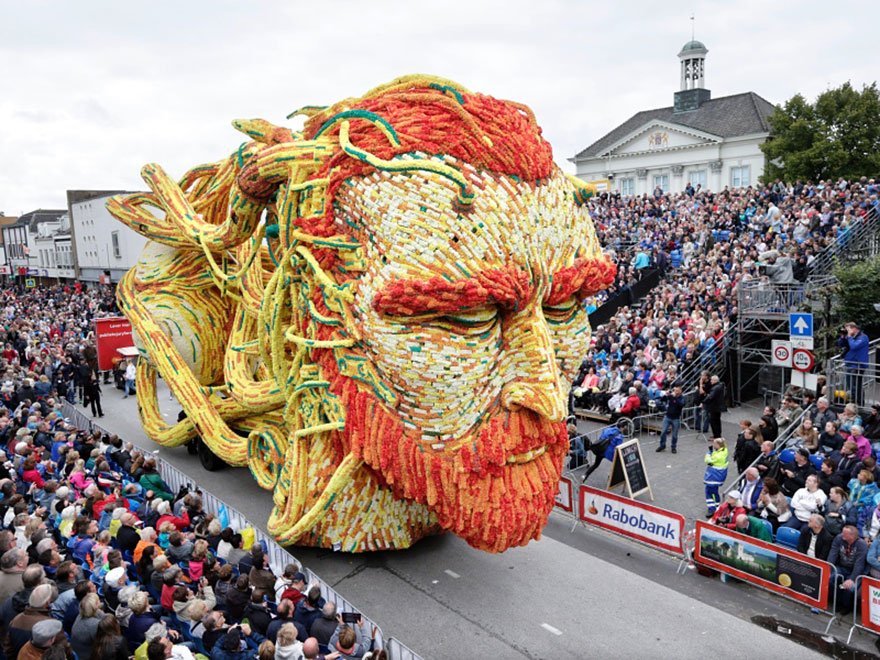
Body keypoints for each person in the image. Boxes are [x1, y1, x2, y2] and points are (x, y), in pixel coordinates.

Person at [828, 525, 868, 615]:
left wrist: (852, 579)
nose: (842, 535)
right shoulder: (839, 538)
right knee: (830, 579)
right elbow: (832, 554)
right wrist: (828, 568)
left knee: (851, 588)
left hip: (855, 571)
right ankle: (837, 601)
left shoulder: (862, 545)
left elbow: (859, 564)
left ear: (852, 536)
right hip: (841, 567)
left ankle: (846, 606)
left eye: (845, 534)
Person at [838, 322, 869, 406]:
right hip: (850, 364)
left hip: (857, 365)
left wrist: (850, 337)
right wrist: (843, 337)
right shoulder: (850, 337)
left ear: (854, 328)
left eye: (848, 329)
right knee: (851, 385)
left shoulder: (863, 337)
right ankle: (856, 403)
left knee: (855, 386)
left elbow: (854, 346)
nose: (847, 331)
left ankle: (857, 403)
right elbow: (841, 345)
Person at [703, 438, 728, 516]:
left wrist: (709, 452)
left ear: (718, 445)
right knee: (713, 492)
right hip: (717, 476)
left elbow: (707, 460)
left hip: (714, 476)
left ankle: (712, 509)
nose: (713, 445)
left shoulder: (719, 455)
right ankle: (716, 506)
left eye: (714, 444)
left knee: (710, 492)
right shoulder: (723, 450)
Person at [656, 385, 684, 453]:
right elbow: (662, 399)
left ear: (680, 391)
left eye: (677, 391)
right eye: (675, 390)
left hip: (676, 418)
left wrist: (675, 398)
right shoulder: (671, 396)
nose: (676, 392)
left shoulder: (682, 398)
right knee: (663, 432)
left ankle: (673, 447)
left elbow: (681, 405)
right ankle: (662, 445)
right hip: (668, 416)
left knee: (674, 434)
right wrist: (666, 394)